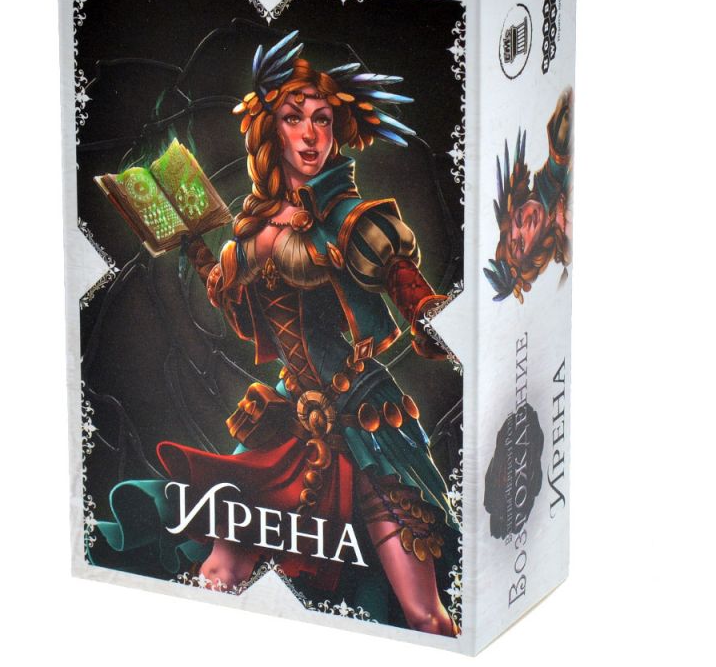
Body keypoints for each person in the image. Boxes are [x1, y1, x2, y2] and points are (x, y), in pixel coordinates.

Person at [99, 31, 460, 637]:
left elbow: (396, 270)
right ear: (272, 130)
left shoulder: (349, 216)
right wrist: (204, 251)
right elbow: (244, 316)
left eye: (322, 119)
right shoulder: (254, 227)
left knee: (422, 611)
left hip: (367, 420)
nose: (310, 135)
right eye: (295, 119)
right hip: (290, 419)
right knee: (219, 567)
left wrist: (423, 310)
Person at [484, 88, 573, 303]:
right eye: (522, 243)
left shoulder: (549, 185)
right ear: (536, 251)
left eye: (518, 218)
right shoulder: (567, 228)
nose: (526, 223)